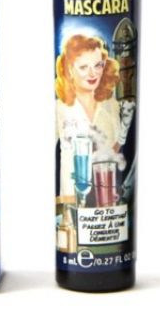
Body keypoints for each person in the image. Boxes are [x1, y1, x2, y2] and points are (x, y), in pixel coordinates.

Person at [55, 34, 122, 202]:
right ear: (70, 69)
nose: (93, 74)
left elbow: (117, 148)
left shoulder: (111, 105)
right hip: (71, 198)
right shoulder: (60, 108)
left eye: (98, 65)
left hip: (106, 198)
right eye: (83, 67)